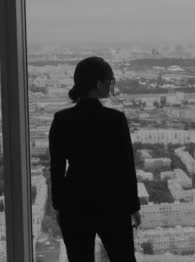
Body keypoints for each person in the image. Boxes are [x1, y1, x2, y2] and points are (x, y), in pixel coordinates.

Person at [49, 56, 141, 261]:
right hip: (113, 203)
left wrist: (59, 205)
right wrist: (133, 207)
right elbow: (126, 167)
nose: (110, 86)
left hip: (75, 204)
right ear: (98, 84)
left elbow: (56, 168)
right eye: (109, 81)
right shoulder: (115, 120)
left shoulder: (62, 120)